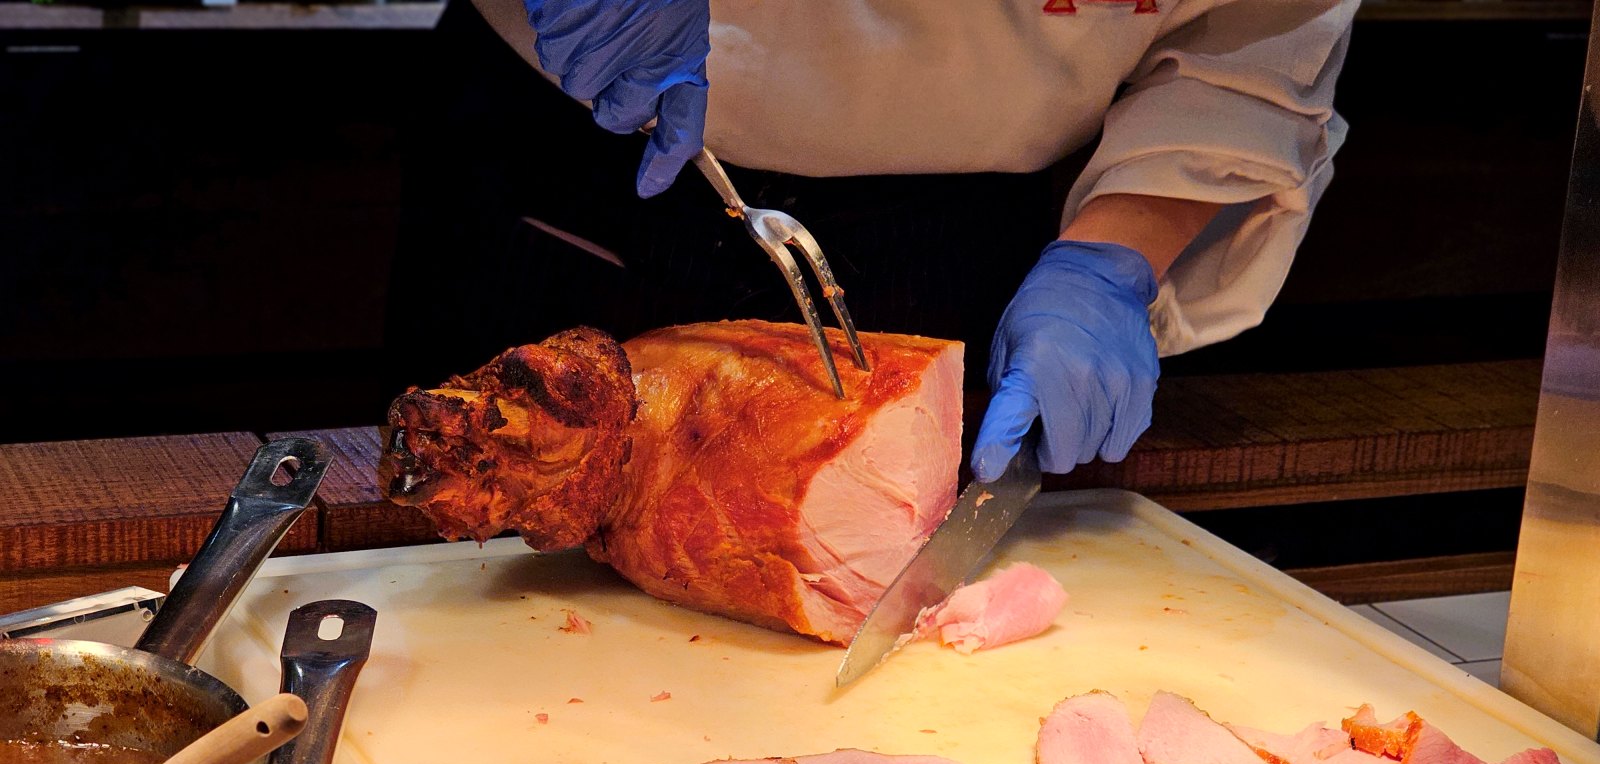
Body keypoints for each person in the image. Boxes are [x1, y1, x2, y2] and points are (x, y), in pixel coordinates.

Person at [387, 0, 1356, 484]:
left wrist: (1113, 259)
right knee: (470, 506)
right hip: (586, 144)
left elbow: (1251, 37)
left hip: (960, 229)